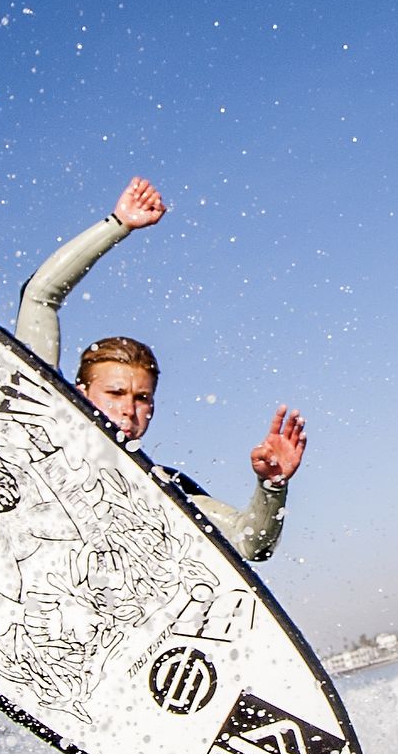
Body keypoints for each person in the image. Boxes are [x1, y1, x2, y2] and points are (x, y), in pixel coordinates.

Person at [16, 175, 306, 562]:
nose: (128, 409)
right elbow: (39, 297)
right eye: (115, 393)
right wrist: (118, 224)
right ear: (82, 392)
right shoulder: (37, 422)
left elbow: (250, 545)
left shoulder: (164, 488)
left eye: (142, 398)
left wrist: (272, 486)